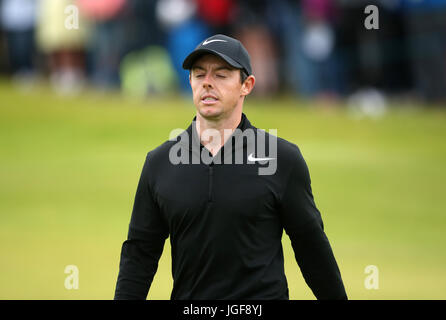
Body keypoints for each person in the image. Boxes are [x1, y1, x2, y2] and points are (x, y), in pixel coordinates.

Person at [114, 34, 347, 300]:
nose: (207, 83)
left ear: (246, 85)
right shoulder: (160, 163)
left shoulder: (281, 159)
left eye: (221, 75)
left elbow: (312, 249)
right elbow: (139, 255)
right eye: (199, 75)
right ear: (190, 81)